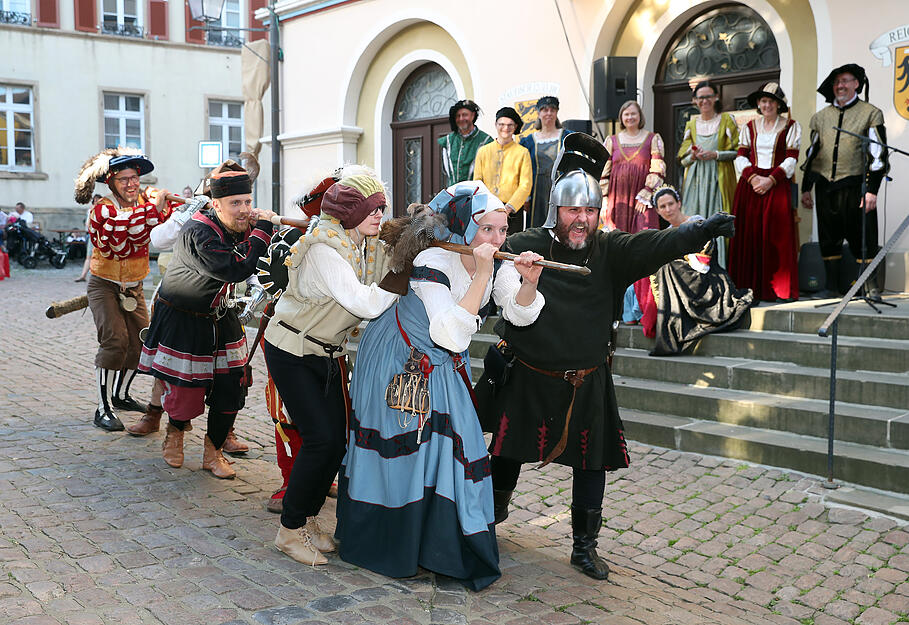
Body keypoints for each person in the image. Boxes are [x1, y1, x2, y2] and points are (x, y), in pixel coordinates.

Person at [476, 132, 735, 581]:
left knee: (592, 465)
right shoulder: (524, 245)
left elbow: (659, 244)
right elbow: (495, 290)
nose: (582, 219)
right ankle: (486, 525)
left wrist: (703, 228)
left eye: (590, 210)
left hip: (586, 380)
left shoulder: (611, 250)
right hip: (529, 378)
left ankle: (584, 547)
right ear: (557, 210)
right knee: (505, 456)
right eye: (573, 210)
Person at [335, 181, 544, 590]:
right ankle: (395, 540)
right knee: (407, 444)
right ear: (465, 227)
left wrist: (528, 281)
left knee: (453, 441)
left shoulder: (496, 261)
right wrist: (483, 272)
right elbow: (449, 332)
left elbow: (520, 315)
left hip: (445, 361)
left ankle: (441, 543)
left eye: (503, 230)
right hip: (401, 359)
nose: (498, 240)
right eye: (487, 230)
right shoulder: (434, 259)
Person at [265, 173, 397, 566]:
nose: (380, 215)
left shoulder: (359, 240)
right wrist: (403, 269)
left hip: (326, 353)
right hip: (292, 350)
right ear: (351, 210)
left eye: (382, 207)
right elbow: (366, 304)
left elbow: (380, 266)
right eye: (373, 208)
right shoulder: (325, 247)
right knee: (321, 440)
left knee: (335, 442)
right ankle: (288, 531)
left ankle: (304, 520)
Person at [137, 168, 274, 477]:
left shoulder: (240, 225)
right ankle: (175, 434)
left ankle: (212, 452)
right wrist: (262, 230)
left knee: (232, 384)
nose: (244, 210)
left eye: (247, 201)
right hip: (184, 317)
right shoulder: (198, 231)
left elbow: (255, 260)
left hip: (220, 314)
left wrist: (262, 232)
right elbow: (234, 267)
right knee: (186, 388)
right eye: (235, 203)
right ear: (216, 204)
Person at [74, 149, 176, 431]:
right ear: (111, 183)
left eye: (134, 178)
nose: (131, 184)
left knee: (143, 341)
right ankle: (102, 407)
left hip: (133, 286)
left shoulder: (146, 201)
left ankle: (120, 395)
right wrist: (155, 209)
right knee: (115, 342)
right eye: (124, 180)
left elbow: (165, 224)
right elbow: (119, 236)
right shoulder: (102, 209)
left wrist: (178, 206)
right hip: (103, 284)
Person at [801, 63, 890, 300]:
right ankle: (831, 287)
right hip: (826, 187)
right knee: (829, 237)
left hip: (856, 185)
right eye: (837, 82)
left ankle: (870, 288)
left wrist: (872, 191)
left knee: (863, 236)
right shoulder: (820, 117)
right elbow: (813, 154)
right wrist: (806, 187)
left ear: (856, 84)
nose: (840, 86)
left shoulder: (870, 113)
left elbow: (878, 154)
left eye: (846, 81)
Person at [648, 185, 753, 355]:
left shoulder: (697, 223)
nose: (668, 209)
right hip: (683, 282)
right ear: (658, 211)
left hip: (707, 281)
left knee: (668, 264)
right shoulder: (666, 233)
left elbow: (702, 265)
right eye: (662, 206)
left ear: (679, 203)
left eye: (671, 204)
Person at [728, 83, 801, 302]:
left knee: (776, 236)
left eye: (770, 101)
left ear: (779, 104)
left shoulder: (791, 126)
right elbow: (740, 156)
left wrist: (771, 180)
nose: (766, 105)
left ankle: (779, 289)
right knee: (749, 235)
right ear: (758, 104)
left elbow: (791, 158)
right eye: (763, 101)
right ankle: (748, 287)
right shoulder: (749, 127)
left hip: (777, 185)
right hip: (750, 186)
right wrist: (753, 178)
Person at [678, 80, 739, 266]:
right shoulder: (692, 124)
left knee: (717, 218)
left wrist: (716, 154)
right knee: (694, 220)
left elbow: (739, 150)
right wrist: (694, 156)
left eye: (708, 96)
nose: (704, 101)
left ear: (716, 97)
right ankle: (692, 269)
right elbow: (683, 158)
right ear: (695, 100)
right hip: (696, 182)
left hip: (718, 178)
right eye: (700, 97)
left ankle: (719, 267)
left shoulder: (726, 120)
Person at [599, 100, 665, 233]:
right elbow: (603, 172)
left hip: (641, 197)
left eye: (633, 114)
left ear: (640, 116)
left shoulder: (652, 138)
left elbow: (658, 168)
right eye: (626, 114)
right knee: (617, 235)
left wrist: (647, 191)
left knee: (643, 233)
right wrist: (604, 198)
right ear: (621, 118)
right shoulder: (611, 141)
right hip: (617, 196)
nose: (630, 117)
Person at [474, 106, 532, 234]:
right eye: (502, 124)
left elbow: (525, 184)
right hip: (488, 208)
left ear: (515, 127)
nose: (505, 128)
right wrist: (486, 205)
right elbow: (477, 181)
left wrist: (509, 208)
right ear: (496, 125)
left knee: (510, 247)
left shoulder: (522, 153)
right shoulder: (483, 151)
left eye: (510, 125)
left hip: (513, 211)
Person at [519, 96, 573, 229]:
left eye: (552, 110)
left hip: (560, 190)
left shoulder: (568, 137)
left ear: (556, 113)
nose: (549, 113)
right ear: (538, 113)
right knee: (537, 228)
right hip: (537, 192)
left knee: (560, 226)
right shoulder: (528, 141)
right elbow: (523, 171)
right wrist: (526, 197)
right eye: (545, 110)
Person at [439, 100, 493, 187]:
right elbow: (448, 171)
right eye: (458, 116)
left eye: (465, 115)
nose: (461, 119)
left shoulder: (486, 141)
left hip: (476, 194)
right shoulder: (448, 141)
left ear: (473, 115)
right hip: (453, 194)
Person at [75, 194, 103, 282]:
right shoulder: (91, 210)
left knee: (101, 257)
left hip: (101, 235)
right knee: (89, 256)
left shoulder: (104, 210)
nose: (96, 202)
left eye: (98, 200)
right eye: (95, 201)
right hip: (92, 235)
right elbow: (88, 223)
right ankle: (83, 275)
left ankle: (101, 277)